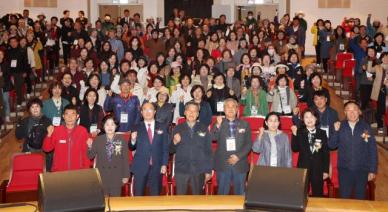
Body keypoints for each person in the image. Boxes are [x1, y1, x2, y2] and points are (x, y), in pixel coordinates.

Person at [328, 101, 378, 200]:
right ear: (345, 112)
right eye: (348, 110)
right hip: (344, 169)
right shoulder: (340, 126)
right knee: (345, 199)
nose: (352, 113)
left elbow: (372, 149)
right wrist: (336, 131)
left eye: (354, 109)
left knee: (360, 198)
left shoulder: (365, 127)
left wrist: (372, 170)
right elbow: (331, 145)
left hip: (362, 169)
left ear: (359, 111)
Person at [211, 98, 252, 195]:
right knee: (222, 194)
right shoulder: (218, 123)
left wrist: (238, 156)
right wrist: (218, 125)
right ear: (224, 109)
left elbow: (248, 144)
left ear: (237, 109)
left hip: (240, 162)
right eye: (227, 106)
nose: (230, 108)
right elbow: (213, 137)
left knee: (240, 194)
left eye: (233, 106)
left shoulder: (245, 124)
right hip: (223, 163)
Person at [171, 102, 212, 195]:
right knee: (180, 201)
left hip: (199, 170)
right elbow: (170, 150)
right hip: (181, 169)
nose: (191, 113)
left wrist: (208, 170)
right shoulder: (177, 128)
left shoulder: (204, 128)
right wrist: (174, 142)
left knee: (197, 201)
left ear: (198, 114)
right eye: (189, 110)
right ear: (185, 112)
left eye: (194, 111)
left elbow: (208, 151)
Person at [129, 102, 170, 196]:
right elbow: (131, 147)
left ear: (155, 111)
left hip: (157, 166)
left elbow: (165, 147)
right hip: (140, 166)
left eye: (150, 109)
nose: (147, 112)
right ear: (141, 112)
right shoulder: (136, 127)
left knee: (155, 195)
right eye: (144, 109)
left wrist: (164, 164)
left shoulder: (162, 127)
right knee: (138, 195)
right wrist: (133, 139)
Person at [87, 115, 130, 197]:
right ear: (103, 126)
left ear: (116, 126)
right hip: (102, 175)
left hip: (117, 175)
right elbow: (90, 156)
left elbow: (125, 159)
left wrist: (126, 175)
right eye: (107, 124)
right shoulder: (98, 139)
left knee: (116, 202)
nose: (110, 127)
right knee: (104, 201)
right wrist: (89, 146)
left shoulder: (121, 139)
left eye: (112, 124)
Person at [291, 109, 329, 197]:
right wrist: (294, 134)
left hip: (318, 169)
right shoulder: (300, 132)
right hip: (303, 168)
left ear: (316, 118)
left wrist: (326, 170)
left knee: (318, 194)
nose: (309, 119)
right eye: (306, 117)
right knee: (302, 194)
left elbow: (325, 153)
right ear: (303, 120)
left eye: (312, 116)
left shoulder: (322, 133)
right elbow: (295, 149)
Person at [43, 104, 91, 172]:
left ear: (77, 116)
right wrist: (49, 135)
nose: (70, 117)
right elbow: (46, 149)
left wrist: (86, 170)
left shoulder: (82, 131)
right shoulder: (57, 130)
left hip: (78, 172)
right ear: (63, 116)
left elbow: (86, 153)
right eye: (67, 114)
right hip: (59, 172)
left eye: (73, 114)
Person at [371, 52, 388, 133]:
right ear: (381, 58)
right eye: (384, 57)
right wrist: (371, 59)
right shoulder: (377, 67)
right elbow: (369, 70)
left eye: (387, 57)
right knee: (381, 110)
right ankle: (380, 125)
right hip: (380, 91)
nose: (386, 59)